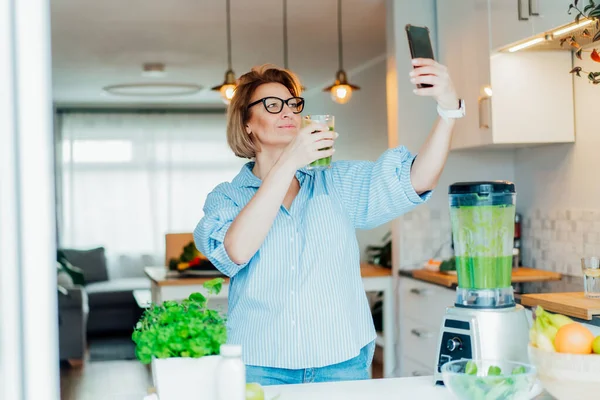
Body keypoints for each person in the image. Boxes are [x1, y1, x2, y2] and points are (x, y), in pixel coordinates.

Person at [194, 60, 463, 386]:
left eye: (293, 105)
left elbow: (417, 178)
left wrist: (449, 110)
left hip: (341, 363)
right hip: (260, 365)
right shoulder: (228, 197)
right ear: (247, 122)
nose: (288, 112)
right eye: (272, 105)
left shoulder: (336, 182)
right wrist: (291, 160)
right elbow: (235, 251)